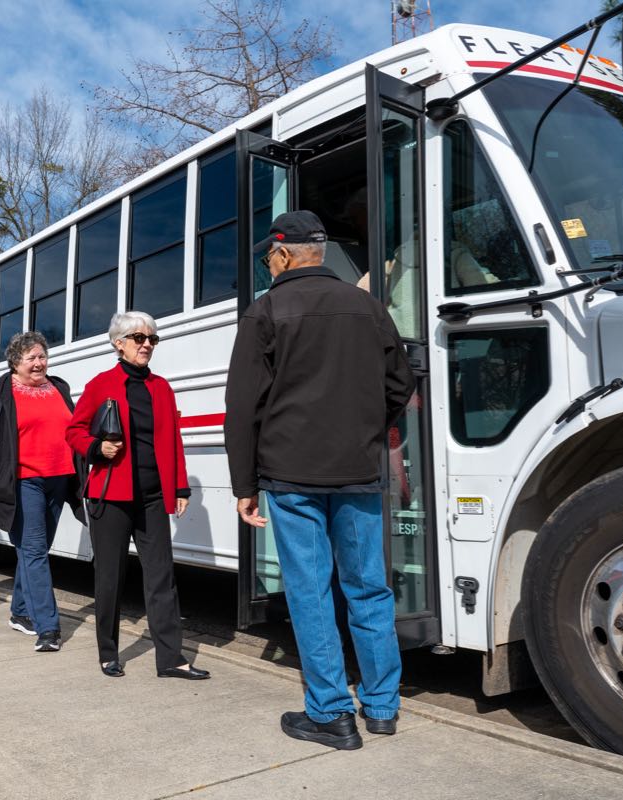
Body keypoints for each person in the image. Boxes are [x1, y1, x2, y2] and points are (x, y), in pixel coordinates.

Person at [226, 210, 414, 748]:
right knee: (369, 589)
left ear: (283, 254)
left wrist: (245, 485)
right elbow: (399, 384)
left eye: (269, 257)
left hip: (292, 477)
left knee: (310, 593)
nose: (269, 265)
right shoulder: (368, 308)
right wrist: (367, 430)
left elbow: (241, 406)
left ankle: (330, 713)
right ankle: (381, 708)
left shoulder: (266, 310)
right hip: (357, 472)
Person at [66, 312, 208, 680]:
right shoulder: (101, 384)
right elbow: (74, 431)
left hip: (151, 496)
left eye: (153, 339)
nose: (147, 344)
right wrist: (97, 448)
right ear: (119, 343)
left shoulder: (161, 387)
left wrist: (179, 486)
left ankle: (171, 659)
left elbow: (172, 440)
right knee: (110, 577)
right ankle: (108, 653)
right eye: (139, 338)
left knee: (161, 577)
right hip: (111, 495)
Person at [0, 331, 79, 653]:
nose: (38, 362)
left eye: (42, 356)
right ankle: (49, 626)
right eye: (30, 357)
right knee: (33, 550)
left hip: (59, 479)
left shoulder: (59, 387)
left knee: (35, 550)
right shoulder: (1, 390)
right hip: (24, 481)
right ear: (15, 362)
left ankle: (20, 612)